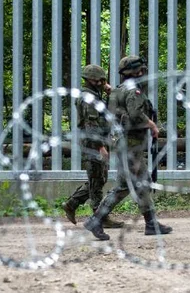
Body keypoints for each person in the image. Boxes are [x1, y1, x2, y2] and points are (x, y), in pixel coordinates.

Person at [84, 55, 173, 241]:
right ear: (137, 72)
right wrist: (152, 125)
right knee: (126, 185)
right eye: (141, 70)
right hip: (130, 144)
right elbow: (135, 114)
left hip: (124, 143)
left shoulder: (117, 90)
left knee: (142, 181)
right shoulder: (133, 91)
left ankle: (151, 223)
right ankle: (96, 220)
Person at [63, 64, 121, 228]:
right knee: (97, 181)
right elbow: (91, 125)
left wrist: (110, 94)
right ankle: (99, 218)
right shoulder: (89, 98)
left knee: (98, 178)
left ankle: (72, 204)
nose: (104, 83)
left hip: (95, 142)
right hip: (93, 144)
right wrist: (100, 146)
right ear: (91, 80)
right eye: (101, 80)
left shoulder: (94, 95)